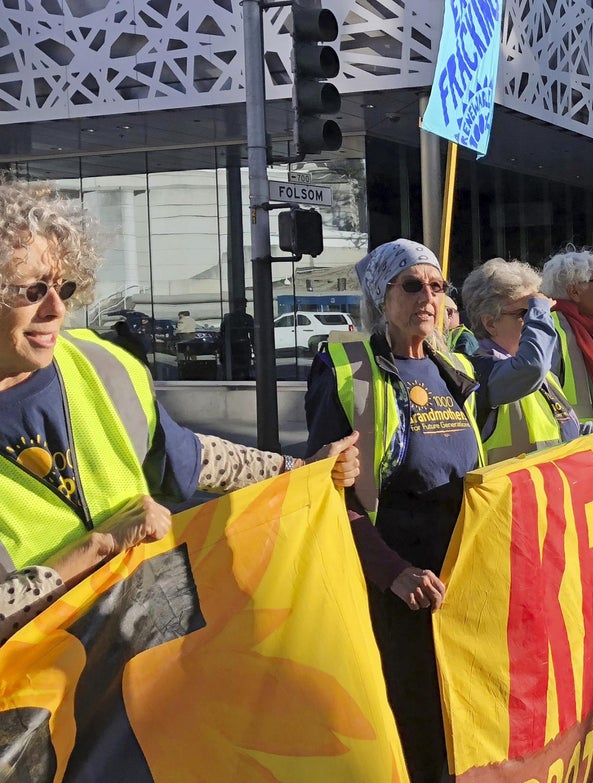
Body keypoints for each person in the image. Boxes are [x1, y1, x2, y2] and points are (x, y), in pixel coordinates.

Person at [0, 181, 360, 646]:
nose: (56, 309)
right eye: (31, 291)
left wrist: (300, 470)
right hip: (36, 685)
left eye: (62, 286)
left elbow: (193, 455)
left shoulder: (99, 366)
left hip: (143, 662)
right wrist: (99, 546)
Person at [305, 238, 482, 783]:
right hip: (394, 581)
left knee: (459, 714)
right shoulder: (347, 368)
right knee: (412, 719)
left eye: (437, 286)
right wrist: (392, 572)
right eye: (412, 284)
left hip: (459, 572)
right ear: (381, 295)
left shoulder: (453, 366)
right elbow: (327, 490)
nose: (428, 297)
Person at [462, 258, 591, 463]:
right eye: (527, 312)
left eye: (536, 312)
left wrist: (592, 431)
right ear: (490, 323)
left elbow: (554, 432)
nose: (536, 318)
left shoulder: (542, 372)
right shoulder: (481, 371)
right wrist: (539, 308)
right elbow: (532, 367)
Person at [540, 248, 593, 426]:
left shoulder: (591, 329)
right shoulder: (552, 331)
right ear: (574, 291)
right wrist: (588, 430)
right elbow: (542, 406)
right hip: (576, 441)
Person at [217, 297, 254, 380]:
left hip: (233, 346)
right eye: (244, 305)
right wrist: (255, 349)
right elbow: (253, 335)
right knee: (244, 368)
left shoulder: (228, 318)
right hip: (242, 346)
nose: (245, 307)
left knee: (234, 369)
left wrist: (221, 350)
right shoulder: (247, 318)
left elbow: (222, 335)